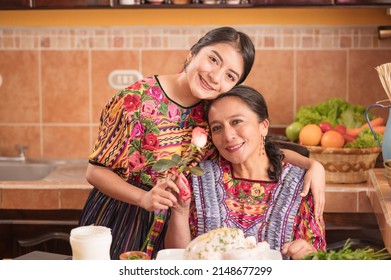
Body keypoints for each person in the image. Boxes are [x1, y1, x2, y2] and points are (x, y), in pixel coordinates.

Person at [79, 26, 325, 260]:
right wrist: (142, 199)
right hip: (125, 217)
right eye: (213, 59)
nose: (215, 76)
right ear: (193, 53)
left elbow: (253, 147)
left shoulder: (213, 111)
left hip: (175, 227)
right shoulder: (135, 100)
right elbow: (95, 170)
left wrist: (312, 165)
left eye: (230, 76)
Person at [164, 85, 326, 260]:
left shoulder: (301, 184)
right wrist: (179, 212)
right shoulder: (198, 179)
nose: (228, 136)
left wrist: (308, 255)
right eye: (217, 127)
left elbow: (319, 259)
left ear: (263, 126)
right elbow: (178, 259)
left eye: (236, 122)